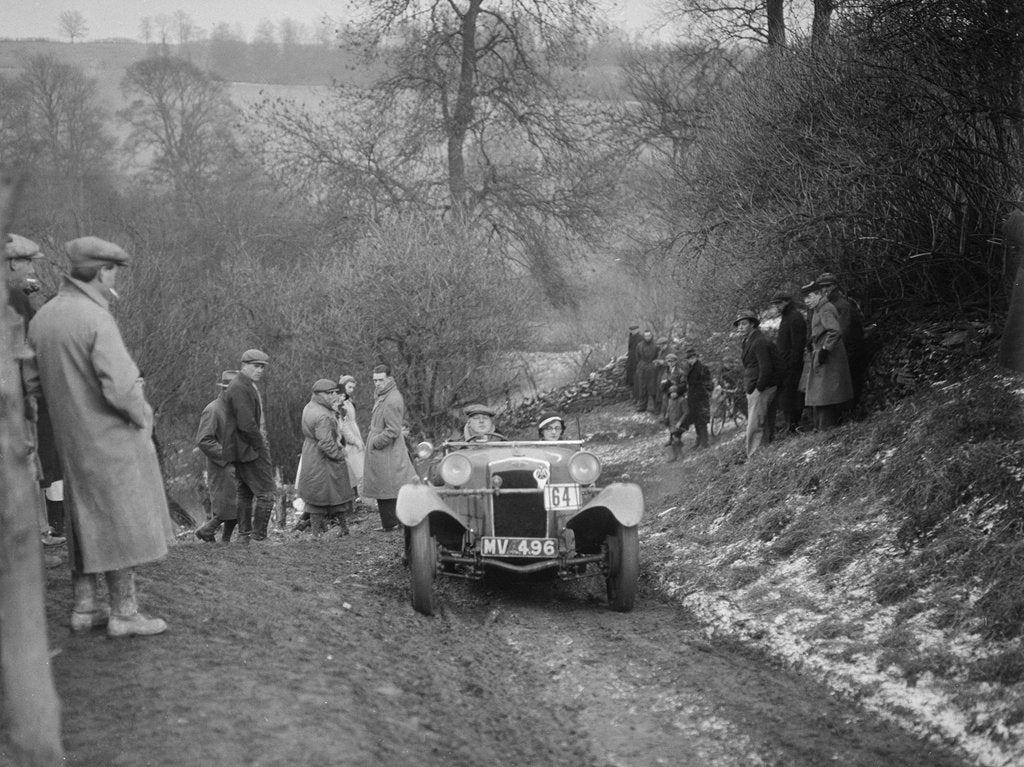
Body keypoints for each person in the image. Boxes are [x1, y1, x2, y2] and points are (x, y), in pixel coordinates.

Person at [24, 236, 172, 637]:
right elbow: (122, 389)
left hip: (71, 441)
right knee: (118, 522)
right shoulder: (95, 318)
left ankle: (85, 608)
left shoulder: (45, 318)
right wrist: (143, 415)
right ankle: (124, 613)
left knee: (81, 518)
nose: (113, 280)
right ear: (101, 272)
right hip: (110, 439)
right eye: (112, 272)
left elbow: (31, 385)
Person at [4, 234, 65, 562]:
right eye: (28, 262)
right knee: (25, 465)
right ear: (13, 262)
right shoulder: (13, 297)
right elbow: (26, 354)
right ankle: (29, 545)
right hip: (15, 398)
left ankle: (38, 534)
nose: (31, 271)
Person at [223, 348, 275, 543]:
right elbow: (246, 424)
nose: (260, 370)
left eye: (262, 367)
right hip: (249, 448)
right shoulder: (240, 387)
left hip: (241, 448)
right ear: (244, 366)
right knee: (266, 494)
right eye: (256, 366)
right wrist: (260, 445)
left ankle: (245, 536)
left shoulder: (244, 385)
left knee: (245, 493)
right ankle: (258, 537)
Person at [363, 363, 418, 532]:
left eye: (380, 380)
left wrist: (376, 442)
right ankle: (389, 523)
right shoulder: (383, 395)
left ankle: (394, 523)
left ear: (389, 379)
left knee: (389, 486)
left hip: (387, 450)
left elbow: (393, 430)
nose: (377, 383)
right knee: (384, 486)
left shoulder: (392, 399)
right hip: (382, 450)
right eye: (375, 380)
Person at [296, 379, 353, 537]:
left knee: (316, 496)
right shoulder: (323, 415)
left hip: (311, 454)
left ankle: (320, 533)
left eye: (334, 392)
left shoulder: (310, 406)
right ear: (320, 394)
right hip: (324, 461)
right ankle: (337, 530)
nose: (333, 396)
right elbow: (326, 443)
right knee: (334, 494)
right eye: (330, 393)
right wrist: (339, 456)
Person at [801, 278, 854, 430]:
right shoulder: (819, 309)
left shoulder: (825, 309)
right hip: (824, 355)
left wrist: (825, 349)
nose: (806, 301)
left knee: (825, 393)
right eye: (805, 298)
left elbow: (835, 331)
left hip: (829, 357)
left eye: (809, 297)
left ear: (818, 294)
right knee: (822, 393)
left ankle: (827, 428)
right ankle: (823, 427)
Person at [194, 371, 239, 543]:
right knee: (227, 506)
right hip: (222, 466)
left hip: (236, 464)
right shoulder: (212, 409)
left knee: (235, 506)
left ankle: (225, 541)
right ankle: (206, 531)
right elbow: (204, 440)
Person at [814, 272, 867, 411]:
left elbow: (842, 331)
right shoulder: (829, 304)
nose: (825, 289)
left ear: (835, 286)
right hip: (840, 348)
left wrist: (829, 350)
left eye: (828, 286)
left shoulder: (842, 304)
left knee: (847, 384)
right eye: (822, 287)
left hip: (850, 349)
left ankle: (850, 414)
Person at [734, 309, 778, 457]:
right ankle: (763, 455)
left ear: (752, 324)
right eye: (738, 325)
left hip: (761, 388)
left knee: (754, 425)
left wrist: (758, 388)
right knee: (762, 423)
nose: (740, 327)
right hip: (754, 387)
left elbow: (766, 368)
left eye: (744, 323)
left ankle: (752, 457)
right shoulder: (748, 341)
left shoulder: (759, 341)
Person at [770, 292, 808, 435]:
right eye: (775, 304)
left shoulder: (794, 317)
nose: (777, 307)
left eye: (779, 303)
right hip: (785, 364)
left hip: (791, 365)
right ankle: (790, 425)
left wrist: (792, 364)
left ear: (787, 302)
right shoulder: (787, 317)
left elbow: (798, 345)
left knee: (792, 396)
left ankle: (793, 425)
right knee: (787, 397)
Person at [336, 374, 365, 502]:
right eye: (349, 387)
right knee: (354, 469)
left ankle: (360, 497)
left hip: (355, 433)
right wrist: (353, 440)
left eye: (353, 387)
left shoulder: (349, 401)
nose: (351, 390)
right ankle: (357, 497)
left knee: (360, 468)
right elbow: (344, 426)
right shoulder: (340, 404)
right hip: (348, 439)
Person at [678, 348, 713, 449]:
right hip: (692, 398)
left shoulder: (702, 368)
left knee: (702, 421)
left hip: (701, 398)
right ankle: (699, 440)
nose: (690, 360)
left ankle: (704, 442)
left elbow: (708, 384)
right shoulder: (689, 369)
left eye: (692, 358)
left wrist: (703, 391)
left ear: (696, 357)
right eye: (689, 359)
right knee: (696, 420)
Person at [633, 330, 660, 413]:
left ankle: (655, 407)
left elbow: (658, 356)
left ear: (651, 336)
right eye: (646, 336)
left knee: (653, 387)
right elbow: (637, 357)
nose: (647, 337)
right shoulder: (639, 345)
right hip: (642, 367)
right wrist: (642, 365)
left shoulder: (656, 345)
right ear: (644, 337)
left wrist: (654, 365)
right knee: (642, 387)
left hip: (652, 367)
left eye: (649, 336)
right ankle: (642, 405)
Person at [663, 385, 686, 461]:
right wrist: (666, 417)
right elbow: (668, 410)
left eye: (674, 392)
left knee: (675, 440)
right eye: (671, 393)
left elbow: (686, 412)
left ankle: (680, 455)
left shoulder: (682, 400)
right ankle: (675, 455)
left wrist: (680, 422)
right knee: (673, 440)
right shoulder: (670, 400)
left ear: (678, 393)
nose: (673, 394)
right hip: (672, 424)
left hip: (679, 424)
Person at [624, 324, 641, 389]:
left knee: (636, 374)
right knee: (630, 372)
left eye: (634, 330)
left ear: (637, 330)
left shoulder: (640, 338)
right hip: (631, 357)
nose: (633, 331)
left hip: (637, 358)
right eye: (631, 330)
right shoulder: (631, 337)